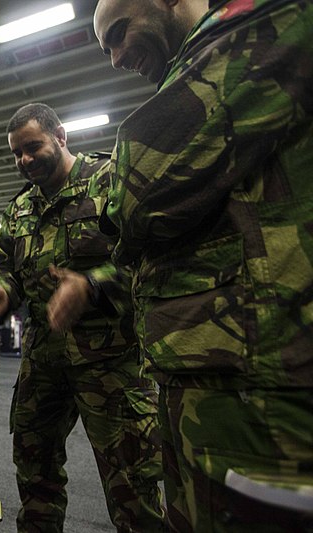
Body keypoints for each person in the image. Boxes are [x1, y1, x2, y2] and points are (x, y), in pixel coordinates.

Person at [94, 1, 313, 531]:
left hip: (262, 386)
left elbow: (131, 190)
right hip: (214, 375)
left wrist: (108, 196)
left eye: (121, 33)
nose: (119, 58)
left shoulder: (264, 25)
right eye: (108, 48)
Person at [0, 103, 164, 533]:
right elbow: (10, 270)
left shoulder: (111, 180)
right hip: (44, 359)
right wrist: (2, 292)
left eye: (33, 147)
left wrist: (92, 284)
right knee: (35, 474)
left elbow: (152, 257)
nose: (24, 160)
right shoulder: (19, 209)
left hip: (111, 360)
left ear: (61, 137)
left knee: (132, 485)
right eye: (16, 153)